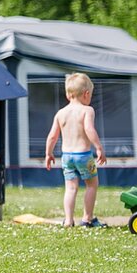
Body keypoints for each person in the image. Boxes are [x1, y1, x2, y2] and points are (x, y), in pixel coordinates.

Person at [44, 72, 108, 227]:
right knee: (92, 184)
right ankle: (87, 218)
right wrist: (99, 147)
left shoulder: (61, 113)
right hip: (83, 155)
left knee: (71, 188)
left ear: (68, 94)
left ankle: (68, 220)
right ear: (86, 94)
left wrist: (48, 153)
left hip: (66, 156)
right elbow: (89, 129)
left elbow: (52, 136)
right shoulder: (87, 110)